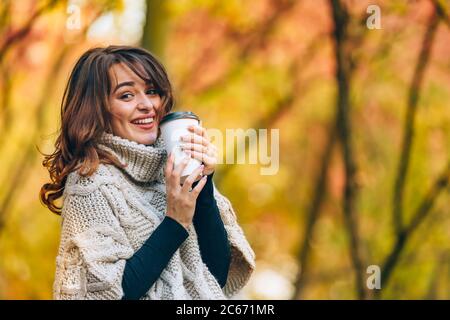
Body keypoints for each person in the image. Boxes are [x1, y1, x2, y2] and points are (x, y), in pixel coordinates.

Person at [40, 45, 255, 300]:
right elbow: (109, 293)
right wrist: (175, 222)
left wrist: (203, 185)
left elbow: (214, 277)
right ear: (97, 108)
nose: (147, 105)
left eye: (152, 91)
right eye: (127, 96)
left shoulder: (172, 168)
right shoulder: (91, 181)